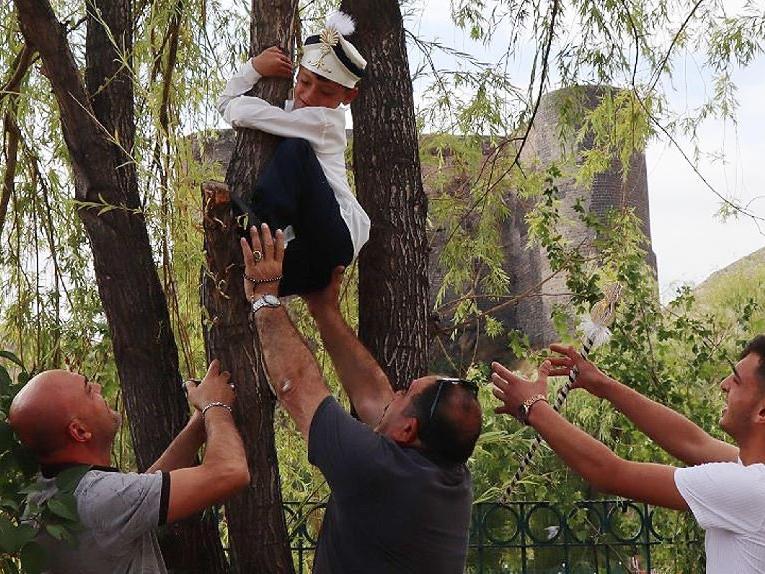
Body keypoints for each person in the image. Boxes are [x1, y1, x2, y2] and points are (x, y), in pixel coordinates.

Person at [239, 223, 483, 574]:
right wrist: (325, 312)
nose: (396, 392)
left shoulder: (378, 471)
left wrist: (264, 296)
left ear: (408, 430)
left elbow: (296, 386)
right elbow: (373, 396)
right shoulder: (447, 472)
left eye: (405, 393)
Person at [490, 337, 765, 573]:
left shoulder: (751, 488)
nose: (724, 384)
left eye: (737, 381)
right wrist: (603, 384)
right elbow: (692, 442)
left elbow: (609, 472)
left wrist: (533, 407)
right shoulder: (752, 476)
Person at [8, 360, 249, 574]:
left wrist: (200, 421)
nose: (98, 387)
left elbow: (135, 498)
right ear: (79, 431)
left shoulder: (42, 500)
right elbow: (230, 472)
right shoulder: (99, 498)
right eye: (89, 390)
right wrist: (216, 406)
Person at [213, 11, 370, 296]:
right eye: (304, 82)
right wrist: (254, 71)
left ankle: (254, 231)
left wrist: (254, 68)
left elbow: (236, 109)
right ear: (296, 75)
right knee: (241, 281)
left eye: (325, 92)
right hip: (307, 260)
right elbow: (228, 106)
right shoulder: (290, 117)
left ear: (348, 96)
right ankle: (250, 257)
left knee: (296, 150)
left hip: (335, 239)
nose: (308, 96)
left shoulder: (324, 122)